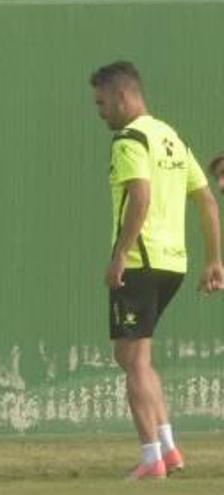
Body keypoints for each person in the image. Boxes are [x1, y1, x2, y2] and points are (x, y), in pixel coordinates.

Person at [90, 61, 224, 480]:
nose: (100, 112)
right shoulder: (171, 139)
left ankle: (152, 459)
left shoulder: (129, 139)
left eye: (102, 102)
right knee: (135, 356)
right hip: (173, 263)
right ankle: (169, 450)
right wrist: (213, 259)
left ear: (123, 97)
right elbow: (207, 202)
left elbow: (141, 198)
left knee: (133, 360)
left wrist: (119, 256)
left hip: (141, 261)